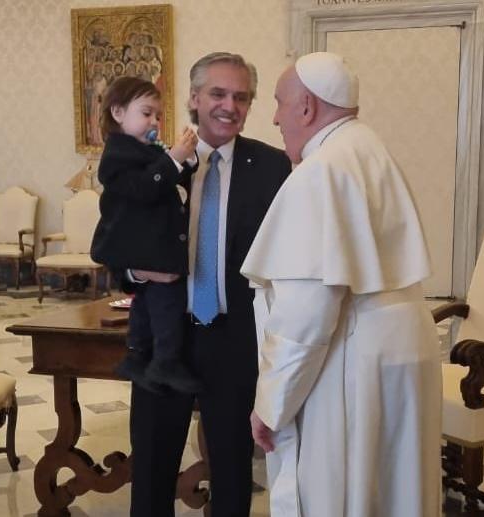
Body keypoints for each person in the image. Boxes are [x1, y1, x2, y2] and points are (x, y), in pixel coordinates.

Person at [241, 52, 442, 517]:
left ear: (307, 107)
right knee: (396, 488)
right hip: (401, 348)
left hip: (353, 362)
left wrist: (270, 404)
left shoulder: (320, 171)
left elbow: (304, 317)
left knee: (344, 493)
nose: (274, 117)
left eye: (279, 103)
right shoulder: (370, 148)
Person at [127, 52, 291, 517]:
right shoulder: (154, 164)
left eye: (241, 97)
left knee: (234, 469)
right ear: (194, 98)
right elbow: (116, 247)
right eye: (218, 94)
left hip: (234, 340)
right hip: (165, 340)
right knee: (153, 467)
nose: (229, 106)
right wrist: (138, 274)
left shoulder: (274, 167)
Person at [90, 76, 202, 394]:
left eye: (157, 115)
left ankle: (137, 355)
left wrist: (187, 158)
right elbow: (146, 188)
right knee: (167, 302)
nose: (154, 121)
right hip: (142, 246)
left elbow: (172, 176)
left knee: (145, 303)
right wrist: (174, 157)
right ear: (118, 112)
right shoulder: (118, 154)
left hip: (151, 244)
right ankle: (166, 361)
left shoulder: (146, 149)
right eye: (146, 113)